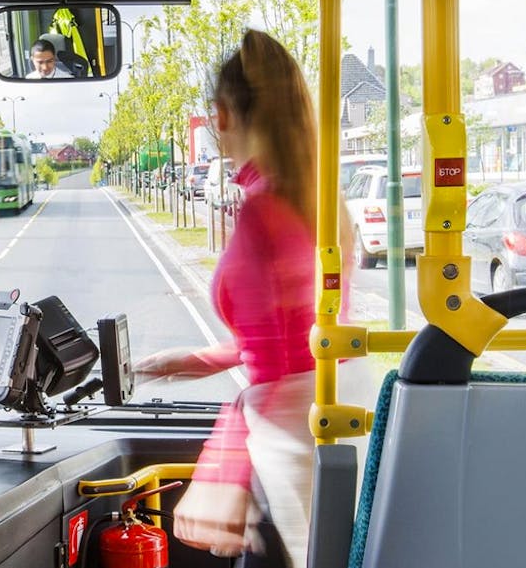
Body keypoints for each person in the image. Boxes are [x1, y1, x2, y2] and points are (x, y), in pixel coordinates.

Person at [134, 30, 372, 568]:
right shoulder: (319, 200)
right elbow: (302, 332)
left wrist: (224, 463)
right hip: (344, 406)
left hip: (295, 438)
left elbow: (277, 366)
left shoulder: (262, 213)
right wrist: (197, 360)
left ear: (220, 117)